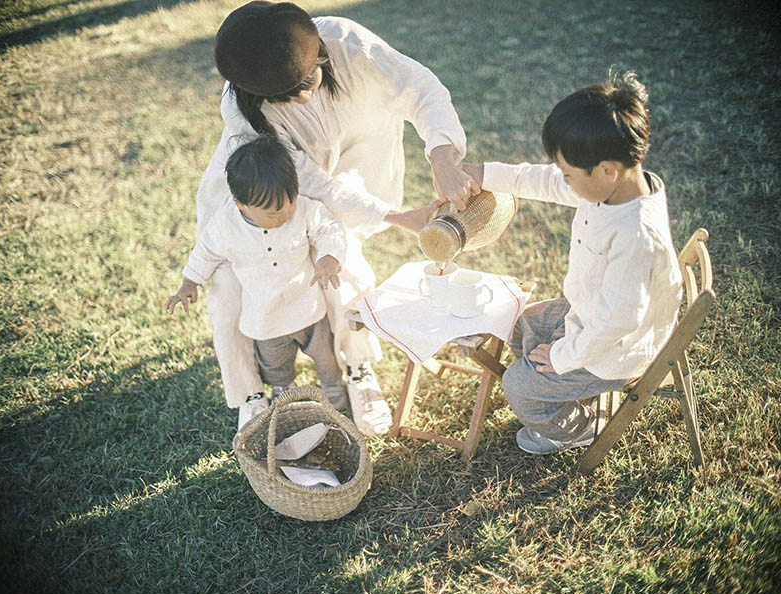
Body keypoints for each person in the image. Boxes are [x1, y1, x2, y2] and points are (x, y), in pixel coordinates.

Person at [195, 1, 479, 435]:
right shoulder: (243, 116)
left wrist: (441, 157)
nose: (306, 96)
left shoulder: (347, 42)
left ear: (321, 53)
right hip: (263, 185)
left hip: (351, 159)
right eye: (288, 95)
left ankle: (359, 368)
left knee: (343, 265)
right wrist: (399, 217)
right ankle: (251, 392)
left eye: (310, 80)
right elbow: (313, 184)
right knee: (233, 284)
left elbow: (419, 87)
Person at [462, 70, 683, 454]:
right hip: (589, 312)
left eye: (569, 175)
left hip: (617, 349)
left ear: (606, 170)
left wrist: (564, 355)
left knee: (517, 386)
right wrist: (484, 175)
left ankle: (580, 428)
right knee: (519, 323)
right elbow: (544, 181)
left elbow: (618, 321)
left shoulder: (636, 236)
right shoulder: (613, 188)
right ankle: (563, 387)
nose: (562, 182)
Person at [166, 136, 349, 429]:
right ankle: (284, 399)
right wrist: (189, 283)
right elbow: (205, 251)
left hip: (309, 308)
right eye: (273, 213)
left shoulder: (303, 209)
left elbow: (329, 228)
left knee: (326, 358)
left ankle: (335, 392)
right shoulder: (226, 224)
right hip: (266, 317)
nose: (284, 215)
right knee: (276, 368)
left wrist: (329, 256)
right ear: (241, 204)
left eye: (288, 204)